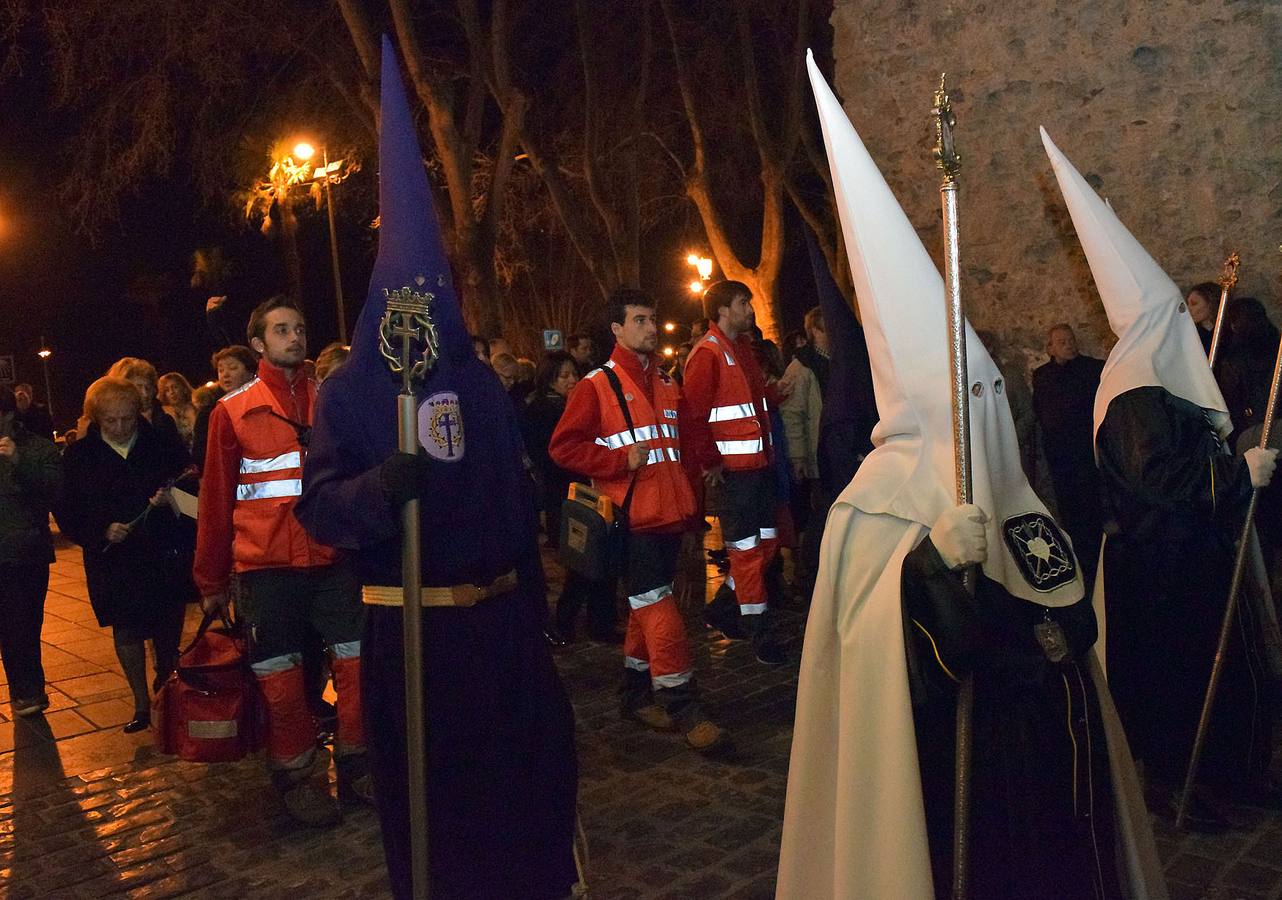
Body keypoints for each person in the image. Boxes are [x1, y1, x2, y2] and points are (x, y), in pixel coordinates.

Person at [779, 68, 1165, 899]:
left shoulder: (1017, 497)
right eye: (971, 399)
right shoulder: (870, 506)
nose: (986, 416)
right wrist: (924, 571)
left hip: (1048, 776)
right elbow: (874, 658)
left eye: (991, 393)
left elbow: (1063, 617)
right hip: (954, 787)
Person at [295, 38, 578, 899]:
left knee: (524, 801)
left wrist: (536, 609)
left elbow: (514, 495)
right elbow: (318, 508)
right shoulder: (347, 395)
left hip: (502, 631)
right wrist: (381, 492)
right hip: (416, 638)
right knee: (442, 819)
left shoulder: (481, 385)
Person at [1045, 128, 1278, 828]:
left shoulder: (1151, 382)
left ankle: (1232, 772)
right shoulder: (1134, 392)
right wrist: (1238, 471)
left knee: (1223, 666)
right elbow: (1162, 479)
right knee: (1176, 680)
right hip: (1160, 565)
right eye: (1175, 312)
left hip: (1191, 557)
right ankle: (1181, 782)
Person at [194, 295, 370, 827]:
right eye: (282, 330)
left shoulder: (333, 400)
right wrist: (211, 577)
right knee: (281, 678)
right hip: (267, 568)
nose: (295, 337)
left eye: (299, 328)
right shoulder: (232, 411)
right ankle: (295, 778)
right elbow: (216, 498)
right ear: (258, 343)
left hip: (335, 560)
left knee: (358, 665)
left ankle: (360, 767)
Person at [551, 288, 728, 752]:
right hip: (632, 522)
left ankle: (633, 694)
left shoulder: (668, 384)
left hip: (670, 518)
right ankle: (682, 703)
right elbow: (563, 447)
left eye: (653, 319)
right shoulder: (596, 386)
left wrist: (692, 517)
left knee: (646, 607)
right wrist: (618, 461)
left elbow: (685, 450)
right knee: (659, 610)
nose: (651, 327)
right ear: (617, 329)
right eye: (640, 320)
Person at [57, 377, 190, 733]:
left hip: (162, 553)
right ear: (97, 419)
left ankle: (167, 687)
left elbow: (191, 490)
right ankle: (141, 702)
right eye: (110, 421)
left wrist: (172, 498)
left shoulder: (160, 444)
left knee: (166, 627)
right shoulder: (80, 455)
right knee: (127, 629)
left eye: (126, 419)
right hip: (114, 559)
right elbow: (68, 509)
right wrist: (101, 530)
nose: (119, 427)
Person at [683, 280, 787, 664]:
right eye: (744, 302)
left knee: (766, 546)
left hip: (757, 470)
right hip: (736, 476)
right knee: (746, 554)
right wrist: (710, 462)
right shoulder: (708, 354)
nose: (751, 309)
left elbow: (749, 403)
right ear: (724, 310)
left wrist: (774, 395)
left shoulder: (741, 349)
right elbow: (694, 416)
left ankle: (725, 610)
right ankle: (759, 634)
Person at [0, 385, 63, 717]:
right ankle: (24, 692)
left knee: (26, 622)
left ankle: (29, 690)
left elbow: (54, 493)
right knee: (10, 624)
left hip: (27, 551)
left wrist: (19, 462)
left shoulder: (37, 449)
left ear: (8, 416)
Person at [1031, 323, 1105, 588]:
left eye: (1071, 340)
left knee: (1093, 504)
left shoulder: (1093, 370)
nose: (1069, 344)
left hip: (1087, 450)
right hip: (1060, 454)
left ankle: (1097, 558)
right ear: (1050, 348)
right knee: (1069, 506)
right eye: (1062, 341)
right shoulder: (1042, 376)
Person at [1217, 297, 1278, 447]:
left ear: (1234, 324)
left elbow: (1229, 397)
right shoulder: (1274, 345)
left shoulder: (1235, 357)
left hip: (1248, 427)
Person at [192, 345, 257, 470]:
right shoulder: (209, 412)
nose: (225, 374)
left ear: (250, 372)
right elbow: (201, 455)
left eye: (233, 368)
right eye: (220, 370)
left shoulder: (261, 405)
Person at [106, 357, 185, 452]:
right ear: (121, 389)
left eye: (148, 387)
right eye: (138, 387)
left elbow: (181, 457)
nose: (145, 393)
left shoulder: (165, 421)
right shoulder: (110, 424)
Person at [157, 372, 199, 452]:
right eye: (167, 390)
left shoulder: (196, 408)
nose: (172, 392)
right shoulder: (163, 414)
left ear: (184, 389)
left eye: (175, 387)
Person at [1186, 281, 1221, 355]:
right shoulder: (1191, 336)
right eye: (1188, 304)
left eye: (1194, 303)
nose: (1188, 309)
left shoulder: (1224, 335)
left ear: (1211, 303)